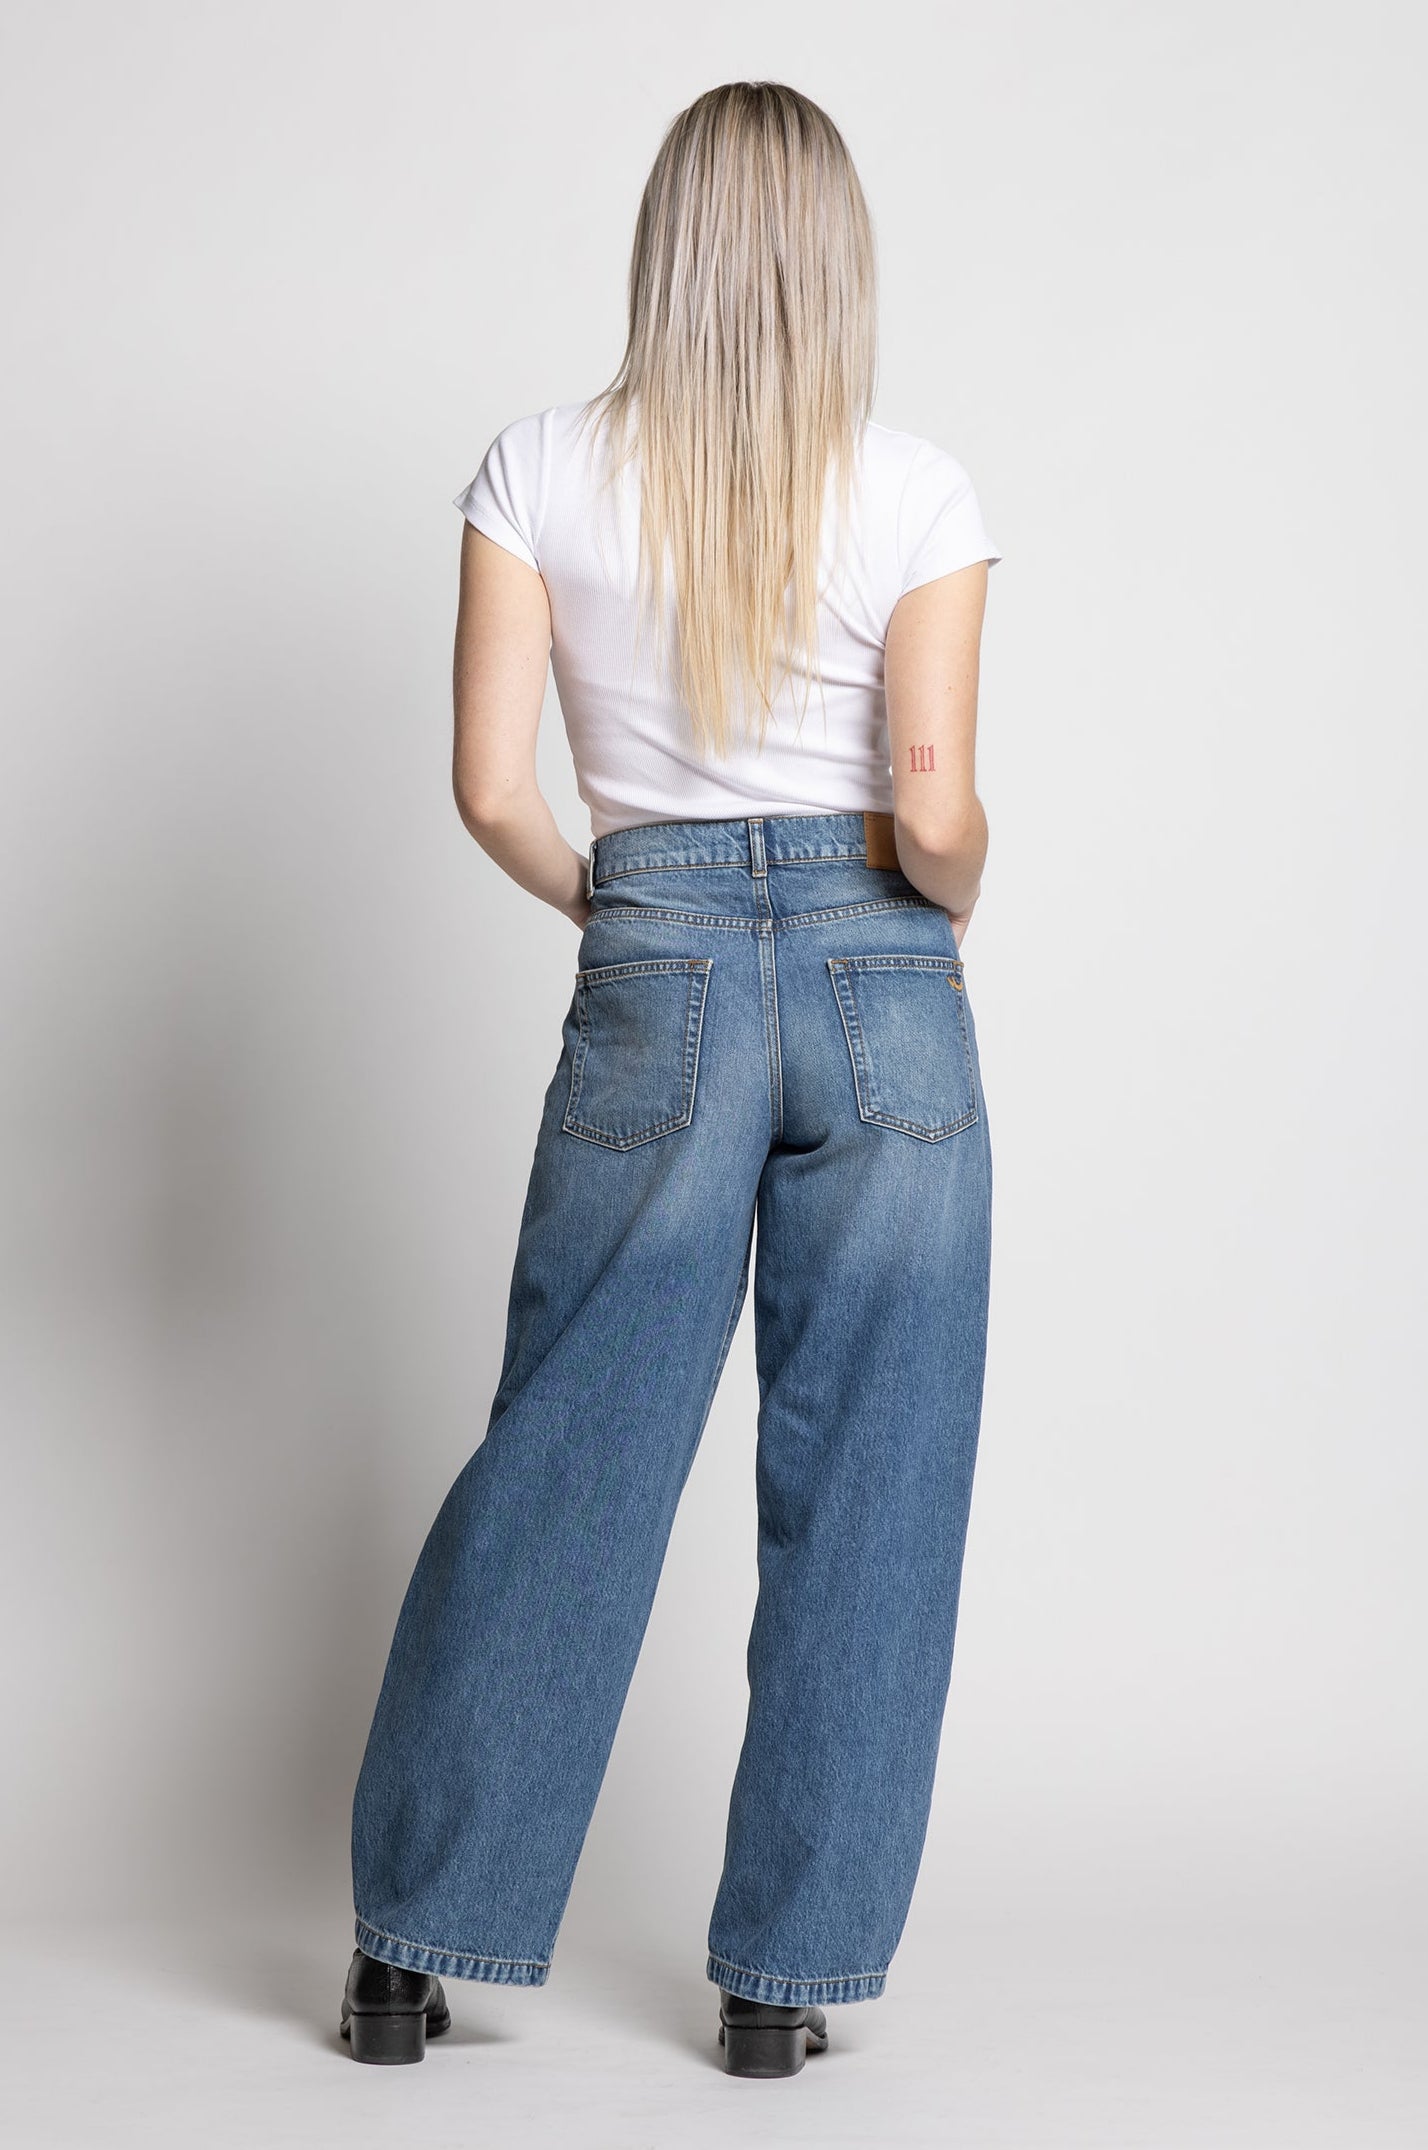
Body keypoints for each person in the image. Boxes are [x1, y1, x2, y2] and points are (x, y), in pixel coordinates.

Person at [340, 79, 1001, 2081]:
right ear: (837, 260)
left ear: (666, 246)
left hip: (657, 958)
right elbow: (940, 809)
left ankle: (405, 1955)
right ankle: (782, 1991)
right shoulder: (918, 491)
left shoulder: (536, 468)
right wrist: (940, 889)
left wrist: (634, 918)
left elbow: (486, 785)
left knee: (565, 1445)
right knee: (874, 1478)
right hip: (886, 972)